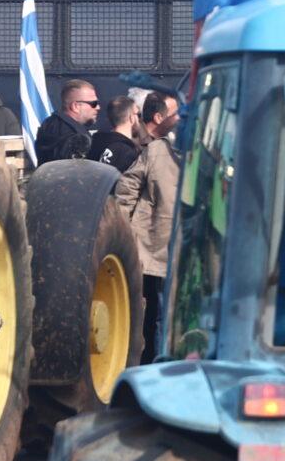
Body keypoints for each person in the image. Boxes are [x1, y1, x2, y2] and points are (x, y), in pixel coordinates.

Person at [115, 90, 182, 356]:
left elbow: (127, 187)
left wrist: (123, 227)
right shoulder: (214, 150)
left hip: (158, 245)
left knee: (159, 314)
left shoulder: (156, 150)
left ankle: (158, 364)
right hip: (189, 248)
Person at [34, 79, 99, 166]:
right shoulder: (78, 138)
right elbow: (78, 174)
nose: (98, 107)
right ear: (75, 106)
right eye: (93, 103)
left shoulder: (48, 124)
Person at [88, 90, 142, 174]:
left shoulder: (94, 143)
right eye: (138, 115)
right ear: (132, 118)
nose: (139, 119)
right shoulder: (127, 152)